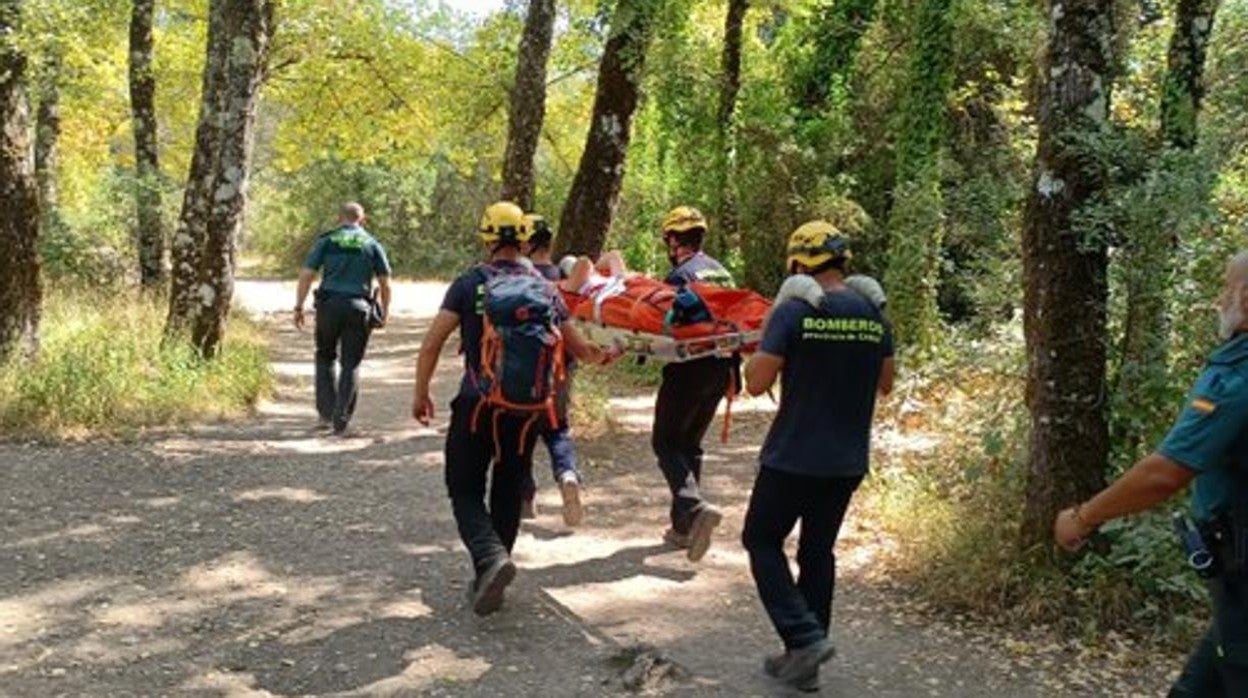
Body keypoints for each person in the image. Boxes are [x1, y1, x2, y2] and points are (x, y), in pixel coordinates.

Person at [1054, 251, 1248, 697]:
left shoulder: (1236, 377)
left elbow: (1164, 473)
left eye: (1226, 289)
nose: (1220, 301)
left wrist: (1082, 517)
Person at [413, 202, 606, 616]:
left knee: (462, 487)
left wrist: (421, 392)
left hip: (477, 403)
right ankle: (493, 567)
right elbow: (581, 351)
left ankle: (490, 559)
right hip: (528, 409)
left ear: (486, 237)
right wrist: (609, 353)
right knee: (508, 484)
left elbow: (433, 343)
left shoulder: (469, 284)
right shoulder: (546, 288)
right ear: (522, 238)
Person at [741, 221, 895, 692]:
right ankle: (804, 660)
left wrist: (773, 321)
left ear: (797, 263)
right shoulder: (873, 313)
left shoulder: (795, 311)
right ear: (842, 262)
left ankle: (804, 637)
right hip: (846, 460)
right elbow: (886, 384)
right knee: (816, 551)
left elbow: (755, 382)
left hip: (793, 456)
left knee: (761, 540)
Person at [651, 206, 737, 562]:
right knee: (691, 445)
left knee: (666, 442)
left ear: (673, 239)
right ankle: (683, 529)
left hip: (689, 369)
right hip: (723, 369)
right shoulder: (723, 273)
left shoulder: (679, 276)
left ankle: (695, 508)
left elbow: (665, 325)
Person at [294, 202, 392, 436]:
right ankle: (342, 421)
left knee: (325, 355)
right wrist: (384, 312)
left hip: (328, 306)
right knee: (351, 363)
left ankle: (325, 415)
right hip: (359, 308)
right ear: (363, 219)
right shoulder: (372, 244)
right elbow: (385, 283)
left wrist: (299, 306)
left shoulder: (327, 241)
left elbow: (307, 275)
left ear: (340, 218)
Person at [520, 213, 584, 527]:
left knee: (523, 434)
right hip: (561, 368)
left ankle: (526, 498)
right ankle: (567, 475)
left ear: (528, 243)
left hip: (525, 371)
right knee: (558, 429)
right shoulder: (563, 277)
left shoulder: (519, 278)